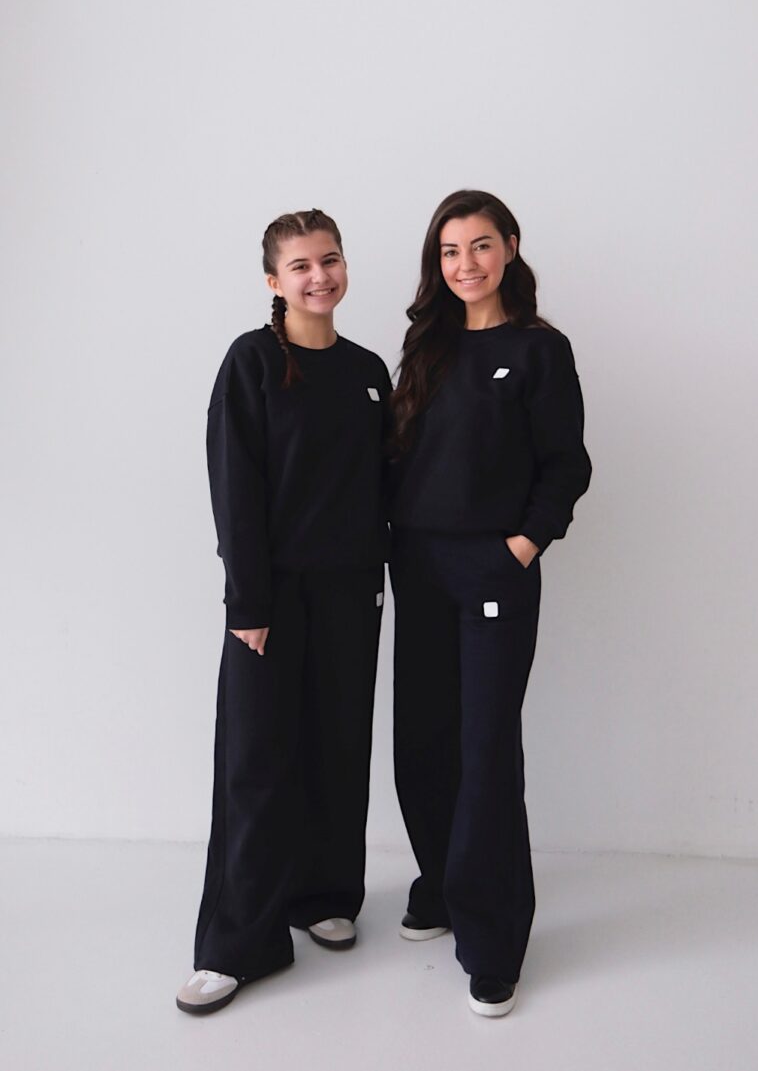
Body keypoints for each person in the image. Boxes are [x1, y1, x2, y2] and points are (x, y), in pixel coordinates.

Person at [176, 209, 393, 1014]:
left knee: (338, 745)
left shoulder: (368, 370)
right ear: (274, 280)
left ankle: (325, 893)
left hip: (353, 591)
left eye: (329, 260)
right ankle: (237, 942)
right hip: (270, 597)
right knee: (256, 761)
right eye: (300, 265)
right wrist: (249, 599)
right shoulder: (253, 362)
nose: (318, 276)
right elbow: (235, 484)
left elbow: (388, 482)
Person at [388, 189, 591, 1017]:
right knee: (421, 739)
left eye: (479, 245)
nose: (464, 263)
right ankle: (442, 882)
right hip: (418, 567)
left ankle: (493, 937)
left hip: (492, 571)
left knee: (485, 749)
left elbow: (567, 465)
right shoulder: (427, 345)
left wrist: (520, 546)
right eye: (449, 250)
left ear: (509, 245)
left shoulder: (540, 349)